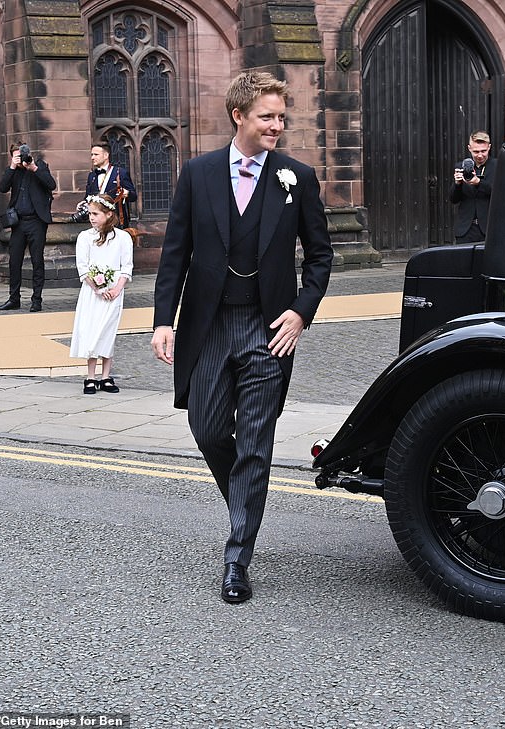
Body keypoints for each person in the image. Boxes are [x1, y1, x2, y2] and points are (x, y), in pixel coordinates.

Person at [151, 71, 333, 605]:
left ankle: (237, 558)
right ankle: (246, 502)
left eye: (281, 116)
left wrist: (301, 312)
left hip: (268, 329)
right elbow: (175, 255)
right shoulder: (199, 173)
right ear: (239, 117)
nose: (277, 126)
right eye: (267, 117)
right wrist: (165, 320)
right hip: (208, 327)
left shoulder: (297, 178)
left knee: (255, 443)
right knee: (208, 430)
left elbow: (321, 257)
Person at [70, 193, 134, 394]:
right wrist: (97, 287)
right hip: (92, 292)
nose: (91, 217)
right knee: (91, 329)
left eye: (96, 214)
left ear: (108, 214)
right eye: (90, 213)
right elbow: (83, 266)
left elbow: (126, 267)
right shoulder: (85, 237)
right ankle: (90, 376)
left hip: (114, 291)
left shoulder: (122, 237)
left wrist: (116, 289)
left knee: (108, 331)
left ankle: (106, 376)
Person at [0, 141, 56, 312]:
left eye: (22, 154)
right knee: (14, 262)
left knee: (37, 261)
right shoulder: (13, 171)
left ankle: (37, 300)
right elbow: (2, 187)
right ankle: (14, 299)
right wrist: (12, 167)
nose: (21, 158)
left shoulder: (40, 166)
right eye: (17, 155)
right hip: (19, 223)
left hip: (37, 221)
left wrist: (34, 168)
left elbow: (51, 185)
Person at [76, 141, 138, 227]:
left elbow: (134, 196)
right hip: (97, 223)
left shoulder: (120, 173)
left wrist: (127, 193)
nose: (92, 158)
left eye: (96, 154)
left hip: (116, 222)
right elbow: (88, 196)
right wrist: (84, 203)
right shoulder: (92, 175)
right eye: (92, 155)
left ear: (106, 156)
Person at [450, 131, 495, 243]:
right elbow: (453, 199)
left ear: (489, 147)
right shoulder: (460, 166)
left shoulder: (498, 166)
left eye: (483, 151)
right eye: (476, 151)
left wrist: (479, 183)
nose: (480, 155)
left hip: (489, 229)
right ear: (469, 148)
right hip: (465, 229)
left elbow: (501, 194)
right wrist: (457, 184)